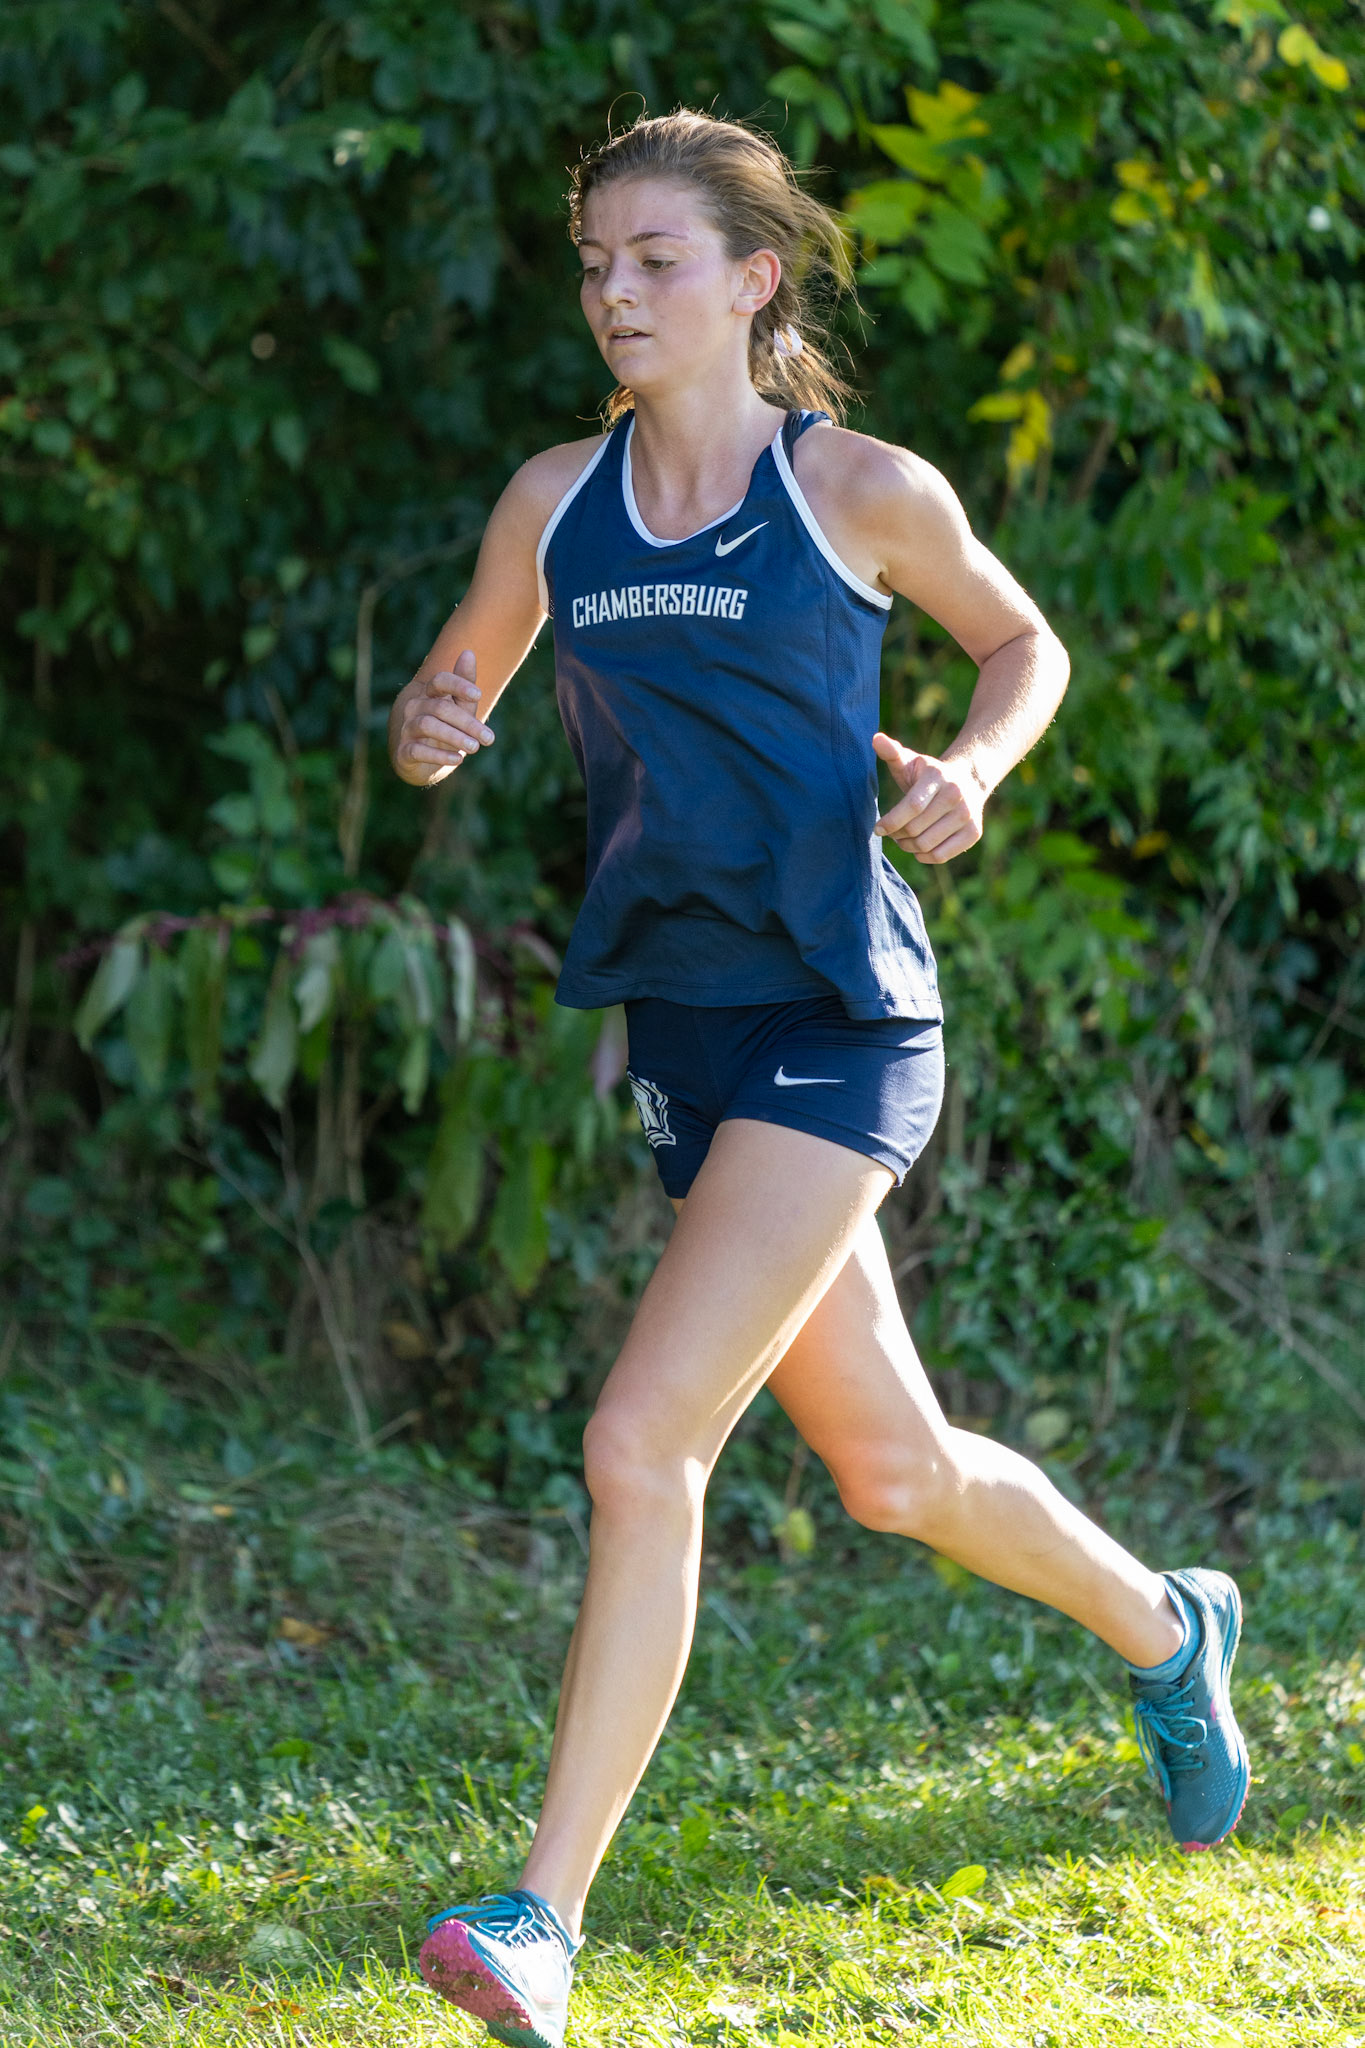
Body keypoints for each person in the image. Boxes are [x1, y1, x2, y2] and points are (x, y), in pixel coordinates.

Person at [386, 108, 1247, 2048]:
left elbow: (1018, 641)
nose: (613, 294)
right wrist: (433, 727)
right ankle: (1167, 1623)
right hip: (682, 1028)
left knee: (640, 1441)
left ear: (751, 278)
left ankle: (539, 1916)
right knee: (892, 1470)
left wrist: (973, 769)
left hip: (841, 1017)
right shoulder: (554, 504)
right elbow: (455, 699)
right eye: (594, 265)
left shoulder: (851, 486)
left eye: (653, 261)